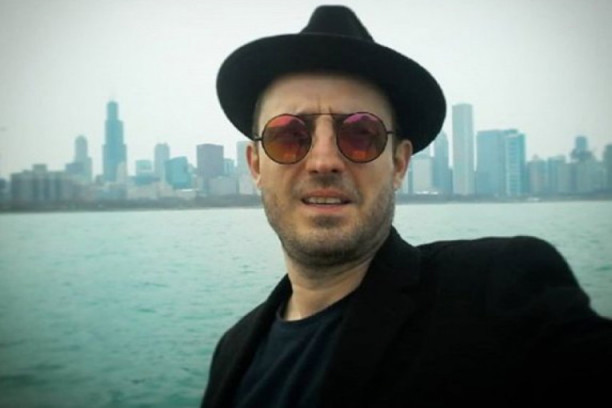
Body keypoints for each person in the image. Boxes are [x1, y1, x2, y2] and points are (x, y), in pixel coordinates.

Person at [202, 5, 612, 408]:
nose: (324, 161)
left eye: (361, 134)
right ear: (256, 165)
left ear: (399, 164)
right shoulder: (232, 349)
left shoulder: (499, 291)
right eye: (289, 136)